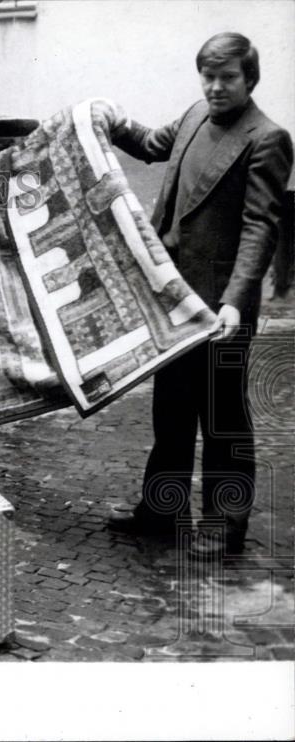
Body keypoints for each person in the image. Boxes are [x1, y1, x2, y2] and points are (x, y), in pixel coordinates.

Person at [108, 32, 293, 558]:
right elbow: (149, 144)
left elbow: (261, 227)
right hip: (173, 297)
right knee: (170, 410)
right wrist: (107, 120)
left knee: (222, 417)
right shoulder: (193, 115)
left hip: (221, 307)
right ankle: (160, 512)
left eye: (227, 78)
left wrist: (237, 298)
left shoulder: (267, 138)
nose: (215, 87)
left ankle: (226, 525)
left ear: (249, 79)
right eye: (208, 76)